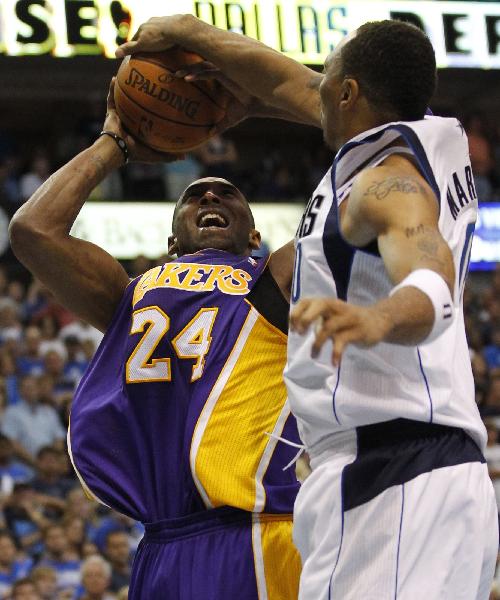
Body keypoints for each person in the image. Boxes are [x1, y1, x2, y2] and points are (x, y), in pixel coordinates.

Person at [117, 14, 498, 599]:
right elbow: (279, 82)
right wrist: (185, 30)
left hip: (394, 473)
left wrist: (379, 317)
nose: (311, 83)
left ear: (347, 93)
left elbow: (433, 281)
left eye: (327, 74)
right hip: (392, 472)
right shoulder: (413, 138)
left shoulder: (386, 181)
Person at [8, 77, 302, 598]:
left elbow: (353, 202)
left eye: (227, 193)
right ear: (171, 241)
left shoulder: (272, 280)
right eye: (195, 195)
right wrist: (114, 144)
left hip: (258, 531)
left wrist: (282, 93)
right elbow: (33, 230)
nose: (210, 193)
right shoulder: (127, 293)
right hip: (162, 544)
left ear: (254, 237)